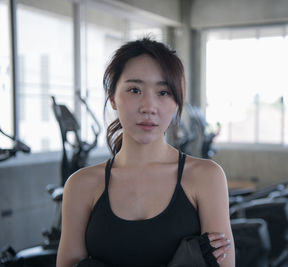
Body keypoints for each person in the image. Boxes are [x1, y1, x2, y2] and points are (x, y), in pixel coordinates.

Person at [56, 38, 235, 267]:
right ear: (112, 98)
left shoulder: (206, 177)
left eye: (163, 92)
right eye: (134, 90)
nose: (149, 107)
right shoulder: (81, 185)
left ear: (177, 103)